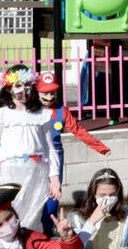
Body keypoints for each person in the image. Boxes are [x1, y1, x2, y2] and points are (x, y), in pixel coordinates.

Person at [0, 66, 59, 232]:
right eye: (18, 85)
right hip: (10, 173)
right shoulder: (0, 115)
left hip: (37, 171)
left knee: (34, 217)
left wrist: (54, 178)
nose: (24, 90)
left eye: (27, 85)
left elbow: (49, 148)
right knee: (12, 216)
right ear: (9, 88)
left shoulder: (41, 114)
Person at [36, 71, 111, 237]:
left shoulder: (62, 111)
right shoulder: (31, 110)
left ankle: (47, 231)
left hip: (55, 155)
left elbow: (79, 131)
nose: (49, 96)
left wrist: (100, 147)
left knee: (52, 195)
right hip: (34, 157)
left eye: (52, 92)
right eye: (45, 92)